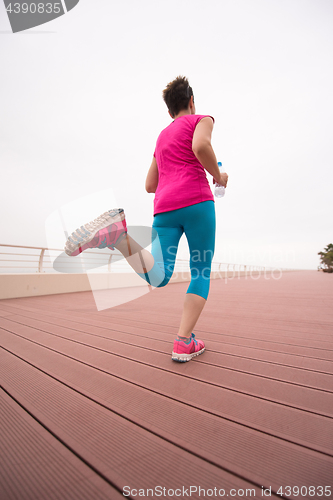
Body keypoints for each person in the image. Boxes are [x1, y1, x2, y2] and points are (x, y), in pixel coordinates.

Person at [65, 76, 228, 362]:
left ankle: (119, 237)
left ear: (168, 111)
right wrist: (218, 175)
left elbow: (150, 185)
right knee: (200, 270)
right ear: (192, 101)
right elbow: (201, 148)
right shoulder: (202, 120)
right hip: (197, 201)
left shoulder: (162, 136)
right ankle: (183, 342)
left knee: (159, 275)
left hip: (164, 208)